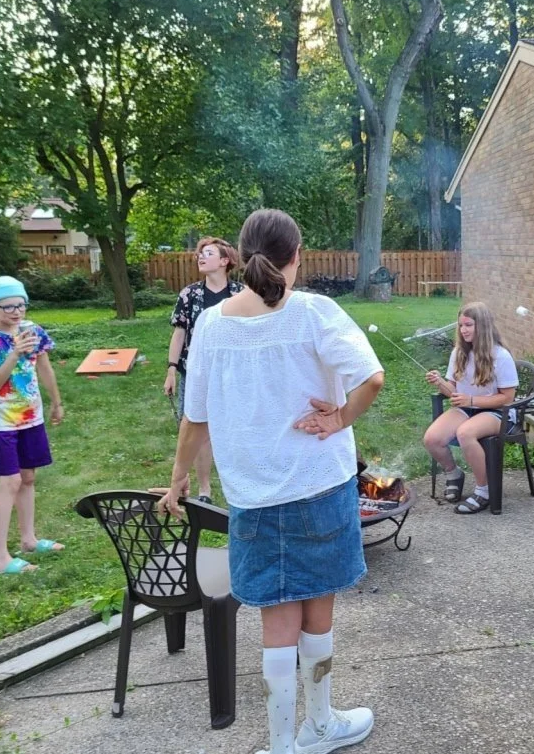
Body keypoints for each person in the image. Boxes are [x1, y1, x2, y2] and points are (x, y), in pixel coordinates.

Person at [157, 209, 384, 754]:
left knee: (277, 621)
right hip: (320, 487)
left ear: (240, 256)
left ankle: (283, 744)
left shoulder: (212, 324)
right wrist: (339, 419)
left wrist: (178, 477)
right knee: (317, 613)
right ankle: (320, 725)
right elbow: (372, 378)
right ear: (296, 255)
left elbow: (195, 417)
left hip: (254, 498)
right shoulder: (314, 312)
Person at [0, 276, 65, 575]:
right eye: (8, 306)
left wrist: (56, 402)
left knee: (28, 477)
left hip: (30, 417)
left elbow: (44, 367)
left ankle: (28, 540)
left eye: (21, 305)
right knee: (9, 482)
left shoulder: (32, 330)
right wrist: (15, 353)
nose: (17, 311)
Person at [163, 237, 243, 502]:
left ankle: (240, 482)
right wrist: (171, 369)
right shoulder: (189, 294)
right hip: (195, 372)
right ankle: (205, 490)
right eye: (200, 253)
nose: (200, 257)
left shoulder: (241, 294)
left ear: (225, 261)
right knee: (199, 429)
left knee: (236, 428)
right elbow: (179, 333)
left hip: (234, 373)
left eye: (208, 253)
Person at [422, 302, 518, 514]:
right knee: (432, 439)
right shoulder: (459, 353)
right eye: (460, 325)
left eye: (468, 325)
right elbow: (453, 392)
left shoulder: (500, 356)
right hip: (467, 408)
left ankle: (484, 491)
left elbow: (507, 397)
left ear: (482, 326)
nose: (463, 330)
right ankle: (453, 474)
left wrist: (472, 401)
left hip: (497, 412)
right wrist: (440, 382)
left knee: (465, 433)